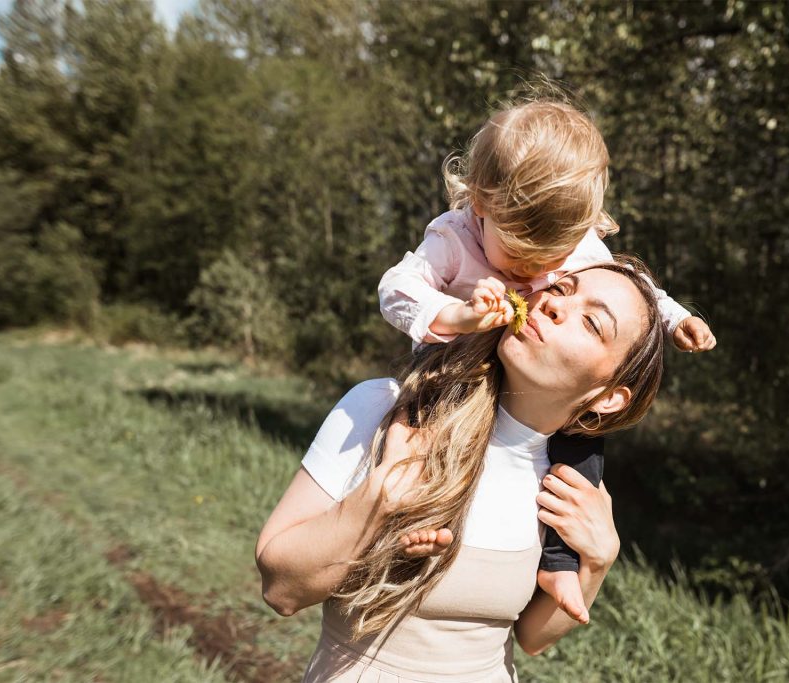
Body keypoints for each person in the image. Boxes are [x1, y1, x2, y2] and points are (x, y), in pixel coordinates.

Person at [377, 99, 716, 622]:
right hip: (454, 366)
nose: (538, 270)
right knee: (417, 426)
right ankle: (409, 518)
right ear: (482, 204)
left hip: (528, 380)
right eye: (520, 255)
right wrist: (453, 314)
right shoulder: (453, 236)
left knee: (579, 441)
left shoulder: (573, 240)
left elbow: (634, 289)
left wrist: (674, 320)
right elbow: (395, 288)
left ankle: (558, 561)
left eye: (551, 260)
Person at [257, 259, 667, 682]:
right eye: (560, 289)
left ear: (609, 398)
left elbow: (532, 639)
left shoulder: (571, 487)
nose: (552, 306)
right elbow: (281, 590)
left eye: (592, 323)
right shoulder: (391, 411)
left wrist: (597, 564)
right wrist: (379, 498)